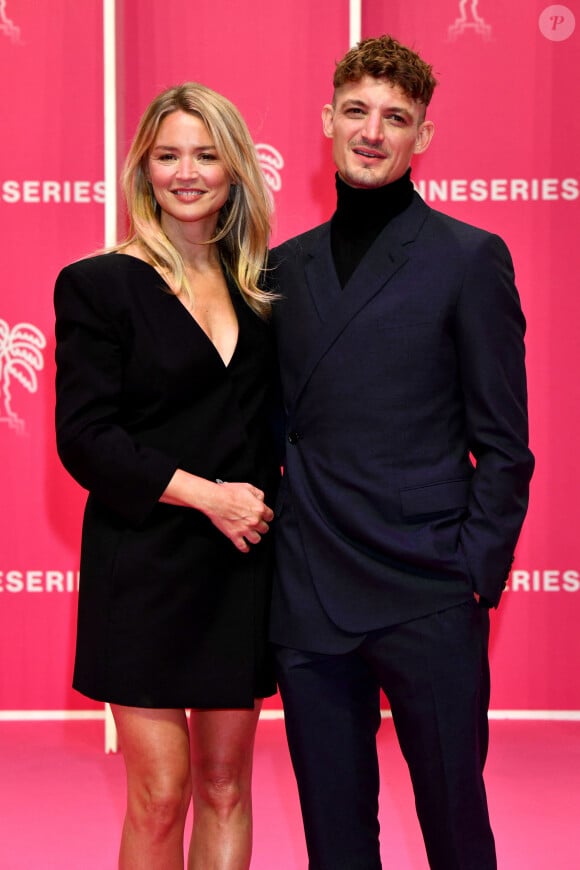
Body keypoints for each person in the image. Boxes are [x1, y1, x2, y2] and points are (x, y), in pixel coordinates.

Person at [269, 35, 534, 870]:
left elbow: (504, 443)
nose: (373, 132)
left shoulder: (468, 259)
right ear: (327, 120)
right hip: (312, 595)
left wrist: (470, 578)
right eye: (357, 111)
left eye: (396, 118)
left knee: (457, 832)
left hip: (428, 591)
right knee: (335, 844)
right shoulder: (281, 270)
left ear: (423, 137)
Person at [54, 82, 280, 869]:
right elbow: (84, 439)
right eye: (168, 155)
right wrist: (206, 495)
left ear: (235, 169)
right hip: (143, 564)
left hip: (238, 568)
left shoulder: (263, 290)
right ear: (143, 169)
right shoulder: (99, 283)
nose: (187, 172)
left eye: (207, 154)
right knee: (162, 791)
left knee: (226, 787)